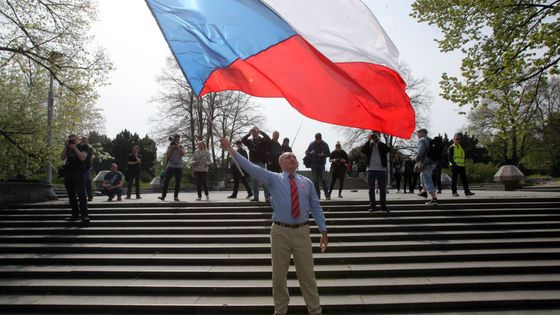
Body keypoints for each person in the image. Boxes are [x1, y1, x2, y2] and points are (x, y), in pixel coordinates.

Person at [220, 137, 328, 315]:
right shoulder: (273, 179)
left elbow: (316, 207)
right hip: (280, 231)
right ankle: (280, 310)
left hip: (302, 232)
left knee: (307, 275)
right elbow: (251, 167)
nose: (292, 158)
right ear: (280, 163)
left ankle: (315, 310)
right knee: (278, 276)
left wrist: (323, 230)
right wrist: (231, 149)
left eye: (293, 156)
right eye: (288, 157)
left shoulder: (306, 183)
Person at [60, 134, 92, 223]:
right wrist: (66, 147)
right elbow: (62, 157)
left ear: (77, 139)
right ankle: (75, 214)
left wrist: (74, 147)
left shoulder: (84, 146)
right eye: (70, 139)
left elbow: (82, 157)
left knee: (81, 194)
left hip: (79, 173)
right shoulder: (68, 147)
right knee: (71, 195)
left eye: (73, 139)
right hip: (69, 173)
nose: (72, 141)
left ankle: (84, 215)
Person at [361, 132, 391, 212]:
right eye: (373, 135)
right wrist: (368, 140)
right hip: (371, 169)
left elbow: (388, 149)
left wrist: (379, 141)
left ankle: (383, 206)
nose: (374, 137)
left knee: (382, 189)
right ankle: (372, 206)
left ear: (379, 136)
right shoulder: (369, 145)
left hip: (381, 169)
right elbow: (363, 150)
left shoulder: (381, 145)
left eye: (376, 136)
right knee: (371, 188)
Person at [242, 127, 271, 202]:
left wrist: (261, 132)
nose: (254, 133)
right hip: (252, 163)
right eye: (253, 131)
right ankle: (256, 197)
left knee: (264, 180)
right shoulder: (249, 141)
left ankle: (267, 197)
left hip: (261, 162)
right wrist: (249, 133)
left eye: (256, 131)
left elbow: (268, 139)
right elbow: (243, 140)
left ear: (258, 132)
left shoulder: (263, 140)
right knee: (254, 181)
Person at [158, 134, 186, 202]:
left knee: (178, 182)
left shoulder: (181, 146)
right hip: (170, 165)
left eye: (178, 138)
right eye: (176, 138)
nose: (177, 139)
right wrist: (172, 149)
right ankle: (163, 196)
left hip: (179, 166)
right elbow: (168, 155)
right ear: (174, 139)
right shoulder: (170, 146)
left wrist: (178, 147)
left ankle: (176, 197)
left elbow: (183, 154)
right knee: (166, 181)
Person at [415, 128, 438, 205]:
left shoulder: (422, 140)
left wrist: (416, 158)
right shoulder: (430, 140)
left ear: (422, 133)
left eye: (418, 133)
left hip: (426, 162)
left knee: (427, 179)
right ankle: (424, 192)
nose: (417, 135)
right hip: (432, 162)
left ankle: (434, 199)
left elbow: (421, 151)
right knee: (422, 175)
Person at [448, 132, 475, 197]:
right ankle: (454, 192)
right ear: (453, 139)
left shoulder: (460, 147)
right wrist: (453, 165)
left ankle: (467, 191)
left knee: (464, 180)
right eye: (456, 139)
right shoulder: (451, 148)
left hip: (462, 166)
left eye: (459, 139)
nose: (458, 140)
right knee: (454, 180)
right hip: (455, 167)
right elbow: (449, 159)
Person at [305, 133, 331, 199]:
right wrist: (311, 152)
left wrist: (323, 154)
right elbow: (306, 152)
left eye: (319, 139)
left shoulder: (325, 144)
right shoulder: (312, 144)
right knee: (315, 180)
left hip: (321, 164)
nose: (318, 141)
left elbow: (329, 154)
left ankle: (327, 195)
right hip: (314, 164)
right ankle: (317, 195)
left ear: (321, 138)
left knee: (324, 180)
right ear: (315, 138)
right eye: (317, 139)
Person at [81, 136, 94, 201]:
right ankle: (83, 195)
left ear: (87, 140)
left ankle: (90, 195)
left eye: (84, 139)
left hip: (87, 166)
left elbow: (88, 157)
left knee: (88, 181)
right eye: (82, 139)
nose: (83, 140)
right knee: (82, 182)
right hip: (81, 167)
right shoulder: (81, 147)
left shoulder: (89, 147)